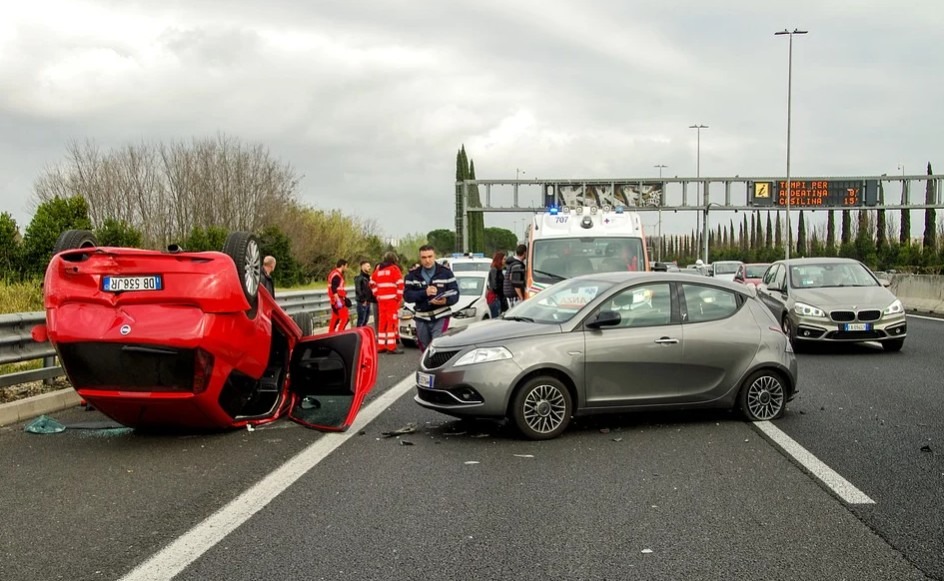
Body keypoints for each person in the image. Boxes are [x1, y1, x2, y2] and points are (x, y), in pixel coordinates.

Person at [404, 245, 459, 351]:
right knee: (425, 348)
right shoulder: (412, 275)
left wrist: (445, 301)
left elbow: (455, 293)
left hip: (441, 315)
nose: (427, 260)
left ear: (435, 256)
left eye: (430, 256)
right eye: (424, 257)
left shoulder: (446, 273)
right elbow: (407, 296)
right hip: (421, 316)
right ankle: (426, 366)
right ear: (420, 258)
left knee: (437, 345)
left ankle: (439, 367)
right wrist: (425, 293)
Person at [370, 252, 405, 353]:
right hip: (391, 301)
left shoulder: (379, 270)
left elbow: (372, 283)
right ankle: (391, 346)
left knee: (382, 323)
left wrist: (377, 294)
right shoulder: (394, 269)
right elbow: (400, 283)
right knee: (391, 323)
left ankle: (381, 346)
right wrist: (398, 297)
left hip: (382, 300)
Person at [326, 259, 350, 333]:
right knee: (345, 318)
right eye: (346, 266)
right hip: (337, 299)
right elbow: (334, 288)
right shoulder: (337, 275)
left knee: (335, 318)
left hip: (334, 300)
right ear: (342, 266)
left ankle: (330, 333)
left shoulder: (334, 273)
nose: (346, 268)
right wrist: (338, 300)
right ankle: (340, 333)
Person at [353, 260, 374, 327]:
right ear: (362, 266)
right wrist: (363, 300)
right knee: (361, 320)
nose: (369, 268)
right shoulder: (359, 278)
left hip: (368, 301)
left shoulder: (368, 278)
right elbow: (358, 290)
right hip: (362, 302)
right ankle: (358, 335)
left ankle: (363, 335)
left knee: (365, 320)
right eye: (367, 266)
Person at [486, 251, 506, 318]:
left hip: (498, 297)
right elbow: (494, 285)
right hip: (495, 298)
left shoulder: (498, 270)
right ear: (499, 260)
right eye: (503, 259)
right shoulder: (494, 270)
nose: (505, 261)